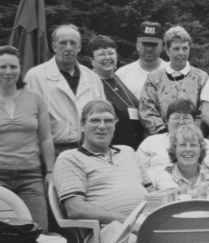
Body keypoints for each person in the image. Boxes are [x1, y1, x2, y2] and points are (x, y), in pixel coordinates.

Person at [0, 46, 55, 229]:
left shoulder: (35, 99)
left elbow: (46, 138)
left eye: (13, 67)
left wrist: (50, 171)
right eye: (3, 67)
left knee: (38, 231)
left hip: (30, 176)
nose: (8, 72)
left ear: (20, 69)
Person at [53, 100, 150, 239]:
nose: (102, 126)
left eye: (109, 121)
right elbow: (75, 208)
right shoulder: (70, 158)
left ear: (115, 124)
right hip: (106, 232)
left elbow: (153, 194)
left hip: (145, 226)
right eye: (95, 120)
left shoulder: (129, 152)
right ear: (82, 125)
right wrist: (128, 221)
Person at [24, 24, 105, 155]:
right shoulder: (35, 76)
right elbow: (27, 117)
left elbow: (103, 114)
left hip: (89, 149)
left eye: (73, 43)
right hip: (51, 150)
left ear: (79, 47)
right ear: (54, 46)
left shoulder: (93, 78)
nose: (68, 48)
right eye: (63, 43)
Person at [140, 25, 209, 135]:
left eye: (185, 48)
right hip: (161, 137)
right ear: (167, 50)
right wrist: (165, 133)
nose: (181, 53)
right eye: (176, 49)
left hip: (192, 138)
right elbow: (147, 110)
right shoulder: (154, 78)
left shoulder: (201, 77)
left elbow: (205, 111)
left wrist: (192, 133)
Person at [89, 36, 145, 148]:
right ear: (92, 60)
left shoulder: (117, 78)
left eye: (111, 53)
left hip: (132, 151)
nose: (107, 57)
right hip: (110, 150)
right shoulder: (92, 84)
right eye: (101, 54)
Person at [137, 99, 209, 173]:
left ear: (194, 121)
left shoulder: (205, 144)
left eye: (186, 118)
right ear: (167, 121)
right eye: (176, 118)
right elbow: (139, 170)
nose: (181, 122)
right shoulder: (150, 142)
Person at [151, 124, 209, 198]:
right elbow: (174, 196)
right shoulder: (164, 175)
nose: (188, 149)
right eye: (182, 145)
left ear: (201, 150)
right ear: (174, 150)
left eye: (193, 145)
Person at [116, 21, 168, 99]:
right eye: (145, 44)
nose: (149, 48)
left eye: (154, 45)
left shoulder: (173, 72)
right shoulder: (122, 75)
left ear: (161, 46)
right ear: (137, 45)